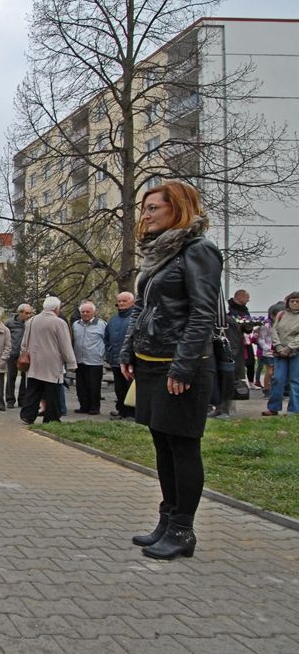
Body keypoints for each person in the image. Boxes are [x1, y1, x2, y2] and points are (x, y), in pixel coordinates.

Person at [120, 181, 221, 561]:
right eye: (144, 208)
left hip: (181, 367)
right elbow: (142, 308)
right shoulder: (158, 255)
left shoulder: (199, 251)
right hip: (150, 363)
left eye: (152, 208)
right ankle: (166, 520)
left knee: (182, 445)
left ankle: (183, 529)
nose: (145, 215)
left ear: (176, 208)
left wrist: (184, 365)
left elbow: (202, 314)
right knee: (161, 443)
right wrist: (129, 348)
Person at [19, 296, 77, 424]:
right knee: (53, 392)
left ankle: (27, 415)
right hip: (52, 363)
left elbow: (24, 342)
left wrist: (24, 354)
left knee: (33, 390)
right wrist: (71, 363)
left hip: (34, 362)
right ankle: (51, 418)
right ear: (56, 308)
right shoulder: (59, 323)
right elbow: (65, 345)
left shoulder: (32, 321)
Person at [263, 291, 299, 416]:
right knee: (277, 379)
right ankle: (273, 408)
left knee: (295, 380)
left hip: (296, 352)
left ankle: (294, 409)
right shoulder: (281, 314)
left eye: (297, 301)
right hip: (280, 353)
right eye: (292, 301)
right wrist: (278, 347)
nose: (294, 303)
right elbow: (274, 331)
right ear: (288, 302)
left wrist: (289, 348)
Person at [72, 301, 106, 416]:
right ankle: (83, 406)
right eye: (83, 312)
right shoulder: (76, 325)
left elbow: (107, 340)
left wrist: (102, 354)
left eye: (88, 311)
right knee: (81, 386)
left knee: (94, 385)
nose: (85, 314)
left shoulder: (101, 325)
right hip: (80, 360)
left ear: (94, 312)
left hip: (95, 361)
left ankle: (94, 408)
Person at [105, 292, 136, 419]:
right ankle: (122, 411)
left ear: (132, 302)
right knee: (119, 388)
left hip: (130, 362)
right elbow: (106, 339)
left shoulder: (135, 318)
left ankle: (132, 413)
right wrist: (109, 352)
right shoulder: (113, 320)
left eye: (125, 301)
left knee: (130, 388)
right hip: (115, 360)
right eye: (119, 301)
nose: (121, 303)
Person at [5, 304, 33, 408]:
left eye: (30, 313)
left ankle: (23, 399)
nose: (29, 315)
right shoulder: (9, 323)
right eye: (27, 313)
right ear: (20, 312)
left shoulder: (31, 323)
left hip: (26, 354)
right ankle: (10, 400)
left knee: (25, 377)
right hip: (12, 354)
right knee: (11, 376)